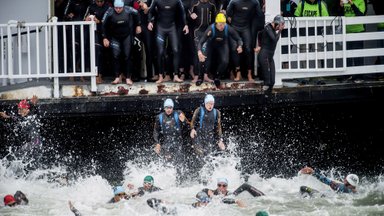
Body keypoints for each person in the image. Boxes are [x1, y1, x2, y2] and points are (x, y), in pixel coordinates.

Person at [147, 0, 189, 83]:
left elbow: (183, 12)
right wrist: (149, 22)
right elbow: (150, 11)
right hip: (160, 28)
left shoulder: (177, 1)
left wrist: (186, 24)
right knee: (160, 52)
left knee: (176, 50)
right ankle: (160, 76)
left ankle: (176, 76)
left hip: (171, 27)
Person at [196, 13, 243, 87]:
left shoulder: (228, 28)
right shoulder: (211, 28)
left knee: (225, 61)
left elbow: (238, 38)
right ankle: (200, 77)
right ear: (216, 23)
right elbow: (201, 42)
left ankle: (217, 76)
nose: (222, 26)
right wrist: (199, 52)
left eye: (224, 24)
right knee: (202, 57)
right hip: (210, 44)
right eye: (220, 24)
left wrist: (240, 46)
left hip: (222, 45)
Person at [101, 0, 142, 85]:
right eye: (116, 8)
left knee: (127, 56)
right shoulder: (110, 11)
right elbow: (103, 25)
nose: (118, 10)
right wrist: (105, 38)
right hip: (115, 37)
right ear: (114, 7)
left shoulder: (128, 9)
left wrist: (138, 25)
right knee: (116, 56)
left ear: (123, 7)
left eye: (120, 8)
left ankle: (128, 78)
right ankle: (117, 77)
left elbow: (137, 13)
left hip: (126, 36)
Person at [153, 98, 189, 184]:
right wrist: (157, 143)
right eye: (167, 108)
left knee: (179, 162)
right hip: (167, 143)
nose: (169, 109)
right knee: (167, 162)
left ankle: (180, 182)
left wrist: (183, 121)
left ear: (173, 108)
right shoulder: (159, 117)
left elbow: (188, 127)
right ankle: (168, 182)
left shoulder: (178, 113)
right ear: (164, 108)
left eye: (170, 107)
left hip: (178, 142)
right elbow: (156, 131)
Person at [226, 0, 263, 82]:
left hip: (245, 27)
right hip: (234, 27)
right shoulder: (234, 1)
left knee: (249, 49)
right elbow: (228, 13)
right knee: (234, 49)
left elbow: (259, 15)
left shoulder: (255, 2)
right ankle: (238, 73)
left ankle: (249, 74)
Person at [190, 0, 217, 83]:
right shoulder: (195, 3)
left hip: (208, 31)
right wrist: (191, 15)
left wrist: (212, 29)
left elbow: (214, 19)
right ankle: (196, 75)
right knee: (197, 53)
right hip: (197, 31)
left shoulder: (212, 3)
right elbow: (188, 14)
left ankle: (205, 75)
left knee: (207, 53)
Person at [255, 15, 285, 91]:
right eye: (279, 26)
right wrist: (280, 31)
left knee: (272, 82)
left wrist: (259, 44)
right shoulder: (268, 28)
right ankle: (263, 97)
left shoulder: (273, 30)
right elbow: (274, 40)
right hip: (264, 57)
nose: (279, 28)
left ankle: (268, 99)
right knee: (267, 82)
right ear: (276, 23)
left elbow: (259, 34)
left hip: (270, 58)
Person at [84, 0, 111, 84]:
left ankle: (101, 74)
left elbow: (108, 21)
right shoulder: (91, 7)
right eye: (97, 1)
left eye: (101, 1)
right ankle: (96, 75)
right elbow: (84, 19)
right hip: (94, 33)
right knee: (96, 53)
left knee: (104, 54)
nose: (99, 3)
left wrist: (98, 21)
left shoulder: (108, 7)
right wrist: (87, 19)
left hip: (105, 33)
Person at [200, 177, 265, 207]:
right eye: (219, 185)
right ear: (217, 185)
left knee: (245, 185)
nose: (221, 187)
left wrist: (237, 201)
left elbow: (225, 200)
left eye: (224, 185)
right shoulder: (211, 191)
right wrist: (208, 196)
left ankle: (264, 197)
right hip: (220, 202)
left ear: (227, 186)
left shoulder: (230, 194)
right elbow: (203, 191)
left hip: (228, 198)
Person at [339, 0, 366, 68]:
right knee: (347, 55)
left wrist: (352, 4)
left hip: (358, 30)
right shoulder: (344, 1)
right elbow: (339, 16)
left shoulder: (360, 1)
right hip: (346, 31)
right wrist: (340, 7)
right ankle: (349, 75)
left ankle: (359, 76)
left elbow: (360, 15)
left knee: (358, 55)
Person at [146, 191, 211, 214]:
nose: (205, 203)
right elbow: (177, 204)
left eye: (207, 201)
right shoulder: (192, 208)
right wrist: (163, 201)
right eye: (204, 201)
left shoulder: (204, 209)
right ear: (198, 202)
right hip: (177, 211)